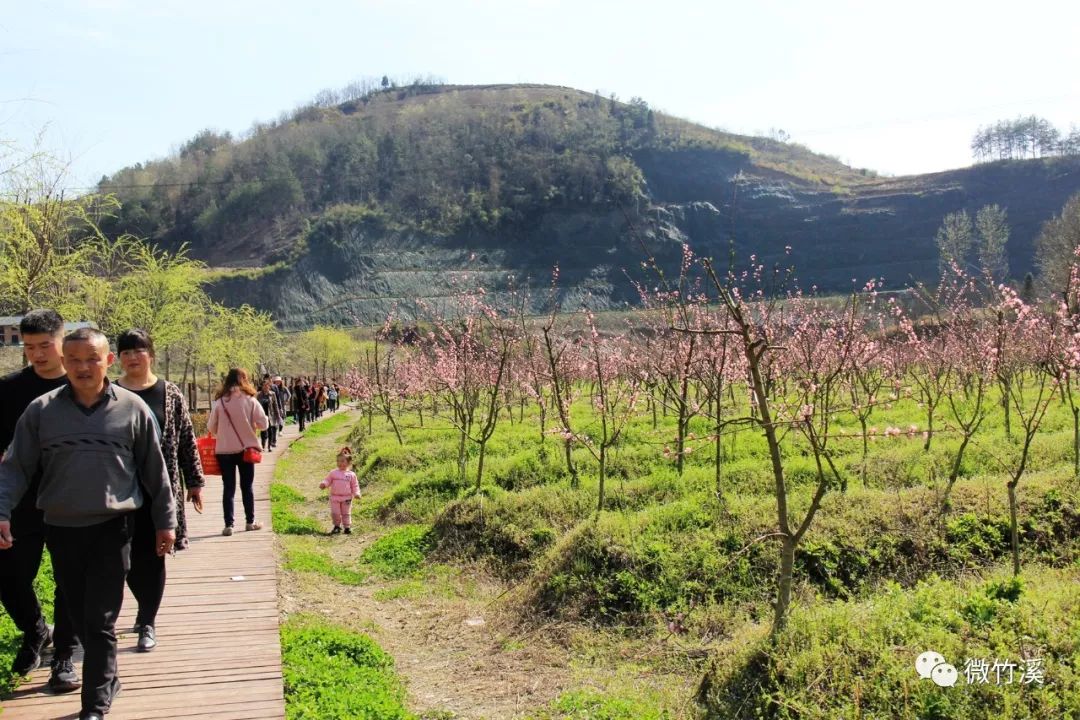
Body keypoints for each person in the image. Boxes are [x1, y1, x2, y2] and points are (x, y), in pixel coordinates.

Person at [0, 327, 176, 720]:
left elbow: (154, 471)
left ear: (107, 361)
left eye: (92, 359)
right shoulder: (41, 412)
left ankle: (93, 705)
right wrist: (2, 510)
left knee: (99, 619)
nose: (83, 367)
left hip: (113, 529)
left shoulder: (132, 409)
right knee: (79, 615)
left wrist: (166, 521)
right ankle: (109, 678)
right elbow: (15, 467)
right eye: (74, 360)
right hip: (61, 529)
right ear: (64, 362)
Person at [0, 310, 81, 691]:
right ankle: (36, 631)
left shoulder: (82, 385)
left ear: (62, 341)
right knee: (9, 576)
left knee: (69, 579)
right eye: (29, 346)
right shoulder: (9, 389)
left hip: (70, 500)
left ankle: (65, 653)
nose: (37, 354)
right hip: (21, 502)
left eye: (45, 345)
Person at [115, 329, 205, 653]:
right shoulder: (109, 393)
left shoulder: (169, 392)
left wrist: (193, 482)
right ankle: (143, 607)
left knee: (154, 555)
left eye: (138, 351)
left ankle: (147, 620)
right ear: (118, 357)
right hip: (120, 492)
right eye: (126, 352)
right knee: (124, 559)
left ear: (150, 354)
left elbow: (185, 439)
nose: (132, 357)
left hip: (160, 489)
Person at [207, 369, 269, 536]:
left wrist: (224, 433)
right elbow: (264, 424)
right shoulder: (250, 401)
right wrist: (251, 425)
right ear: (243, 380)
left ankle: (229, 524)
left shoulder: (220, 402)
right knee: (246, 487)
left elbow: (211, 427)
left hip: (224, 451)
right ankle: (250, 522)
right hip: (246, 450)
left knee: (228, 488)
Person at [319, 447, 360, 535]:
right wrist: (324, 484)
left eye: (342, 461)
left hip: (347, 498)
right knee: (335, 513)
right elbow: (328, 480)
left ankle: (347, 527)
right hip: (335, 497)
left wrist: (356, 493)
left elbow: (355, 485)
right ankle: (337, 526)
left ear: (348, 463)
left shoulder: (351, 475)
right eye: (338, 461)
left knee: (346, 513)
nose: (340, 463)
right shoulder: (333, 473)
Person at [256, 379, 282, 451]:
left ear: (269, 386)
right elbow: (257, 405)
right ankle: (263, 445)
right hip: (262, 415)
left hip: (270, 415)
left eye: (267, 386)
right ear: (262, 387)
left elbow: (275, 405)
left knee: (270, 431)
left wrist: (278, 415)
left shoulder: (272, 394)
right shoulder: (259, 395)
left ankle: (269, 446)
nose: (265, 387)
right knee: (263, 431)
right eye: (264, 386)